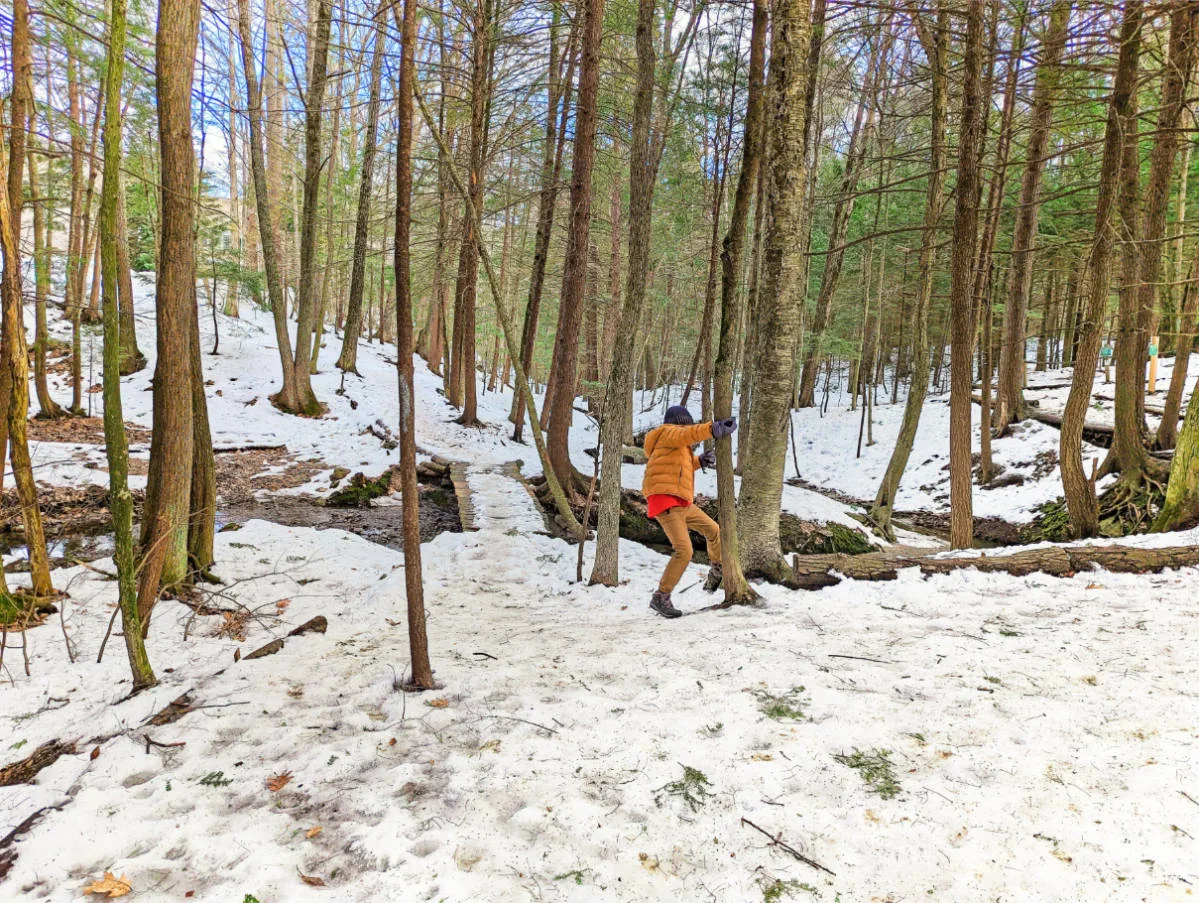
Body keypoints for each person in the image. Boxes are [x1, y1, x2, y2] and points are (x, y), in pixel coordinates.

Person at [641, 405, 738, 618]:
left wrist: (699, 461)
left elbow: (680, 468)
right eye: (687, 425)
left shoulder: (675, 446)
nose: (689, 429)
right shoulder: (669, 432)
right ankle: (661, 596)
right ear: (679, 423)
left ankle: (717, 568)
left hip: (681, 502)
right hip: (666, 500)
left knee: (714, 531)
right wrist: (714, 429)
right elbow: (688, 433)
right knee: (684, 551)